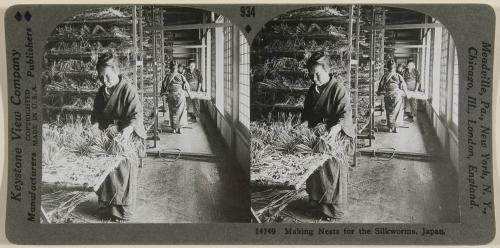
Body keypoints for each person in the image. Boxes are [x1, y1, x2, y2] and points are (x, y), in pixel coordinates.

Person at [91, 52, 146, 222]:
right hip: (108, 133)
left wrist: (127, 131)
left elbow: (136, 115)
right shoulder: (102, 92)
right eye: (101, 77)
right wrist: (94, 128)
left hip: (127, 134)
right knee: (105, 168)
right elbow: (96, 115)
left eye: (107, 76)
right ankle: (106, 206)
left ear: (116, 71)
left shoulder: (128, 89)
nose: (104, 80)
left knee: (122, 168)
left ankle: (122, 212)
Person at [300, 52, 355, 221]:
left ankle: (332, 210)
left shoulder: (338, 88)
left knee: (331, 167)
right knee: (313, 166)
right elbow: (307, 112)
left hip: (336, 133)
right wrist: (304, 122)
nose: (314, 78)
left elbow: (345, 114)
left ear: (327, 70)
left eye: (318, 74)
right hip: (318, 132)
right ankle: (316, 203)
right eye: (311, 75)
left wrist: (337, 127)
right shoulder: (312, 89)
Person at [377, 58, 409, 133]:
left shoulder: (385, 76)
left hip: (388, 95)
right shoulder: (398, 75)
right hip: (397, 95)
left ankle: (390, 127)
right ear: (394, 67)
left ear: (387, 67)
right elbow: (403, 84)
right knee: (397, 111)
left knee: (389, 111)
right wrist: (406, 93)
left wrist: (379, 92)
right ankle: (395, 127)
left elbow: (380, 86)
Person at [161, 61, 190, 134]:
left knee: (172, 112)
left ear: (170, 68)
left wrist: (164, 93)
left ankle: (173, 128)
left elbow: (164, 87)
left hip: (171, 96)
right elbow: (186, 86)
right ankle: (180, 129)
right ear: (177, 68)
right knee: (181, 112)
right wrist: (189, 93)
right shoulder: (181, 76)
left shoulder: (167, 76)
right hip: (180, 96)